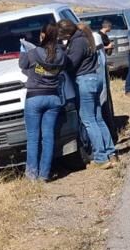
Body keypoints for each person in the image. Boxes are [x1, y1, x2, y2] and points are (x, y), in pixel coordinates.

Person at [63, 21, 117, 167]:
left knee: (89, 120)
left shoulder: (78, 42)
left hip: (85, 82)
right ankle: (111, 152)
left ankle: (101, 157)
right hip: (95, 79)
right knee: (98, 119)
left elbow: (71, 64)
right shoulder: (88, 40)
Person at [19, 23, 66, 181]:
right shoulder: (61, 54)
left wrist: (23, 49)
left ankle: (31, 175)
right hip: (54, 98)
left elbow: (22, 65)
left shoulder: (33, 53)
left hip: (35, 97)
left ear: (43, 35)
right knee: (48, 137)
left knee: (33, 138)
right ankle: (44, 174)